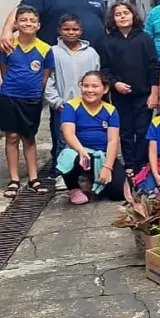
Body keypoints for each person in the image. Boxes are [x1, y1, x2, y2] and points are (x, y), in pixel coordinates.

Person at [0, 6, 54, 197]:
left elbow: (44, 77)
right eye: (23, 20)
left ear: (38, 25)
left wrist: (33, 94)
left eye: (32, 20)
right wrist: (12, 89)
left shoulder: (45, 49)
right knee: (12, 137)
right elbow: (4, 71)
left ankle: (34, 178)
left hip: (31, 99)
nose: (28, 23)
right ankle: (14, 179)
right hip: (9, 97)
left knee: (29, 138)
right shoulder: (7, 44)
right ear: (16, 24)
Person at [44, 14, 101, 190]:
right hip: (63, 106)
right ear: (59, 31)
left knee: (83, 140)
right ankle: (63, 175)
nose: (71, 32)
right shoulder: (53, 52)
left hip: (87, 107)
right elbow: (48, 80)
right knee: (62, 141)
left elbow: (97, 76)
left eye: (75, 29)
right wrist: (56, 102)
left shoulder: (91, 53)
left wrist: (96, 101)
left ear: (81, 31)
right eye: (66, 29)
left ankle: (86, 174)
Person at [103, 1, 160, 174]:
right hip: (120, 96)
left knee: (143, 130)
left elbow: (154, 66)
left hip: (143, 95)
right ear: (113, 19)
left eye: (126, 13)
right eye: (118, 14)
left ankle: (141, 163)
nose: (122, 16)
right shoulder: (108, 41)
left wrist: (154, 94)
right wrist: (115, 83)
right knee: (126, 131)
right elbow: (105, 68)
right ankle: (129, 164)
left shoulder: (144, 38)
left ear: (133, 15)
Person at [57, 71, 125, 204]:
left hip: (102, 155)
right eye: (85, 86)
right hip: (80, 154)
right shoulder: (71, 106)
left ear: (104, 89)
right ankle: (74, 187)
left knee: (118, 193)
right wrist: (82, 152)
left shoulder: (111, 110)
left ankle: (94, 180)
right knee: (69, 156)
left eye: (94, 86)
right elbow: (68, 134)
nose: (89, 90)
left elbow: (113, 140)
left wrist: (107, 167)